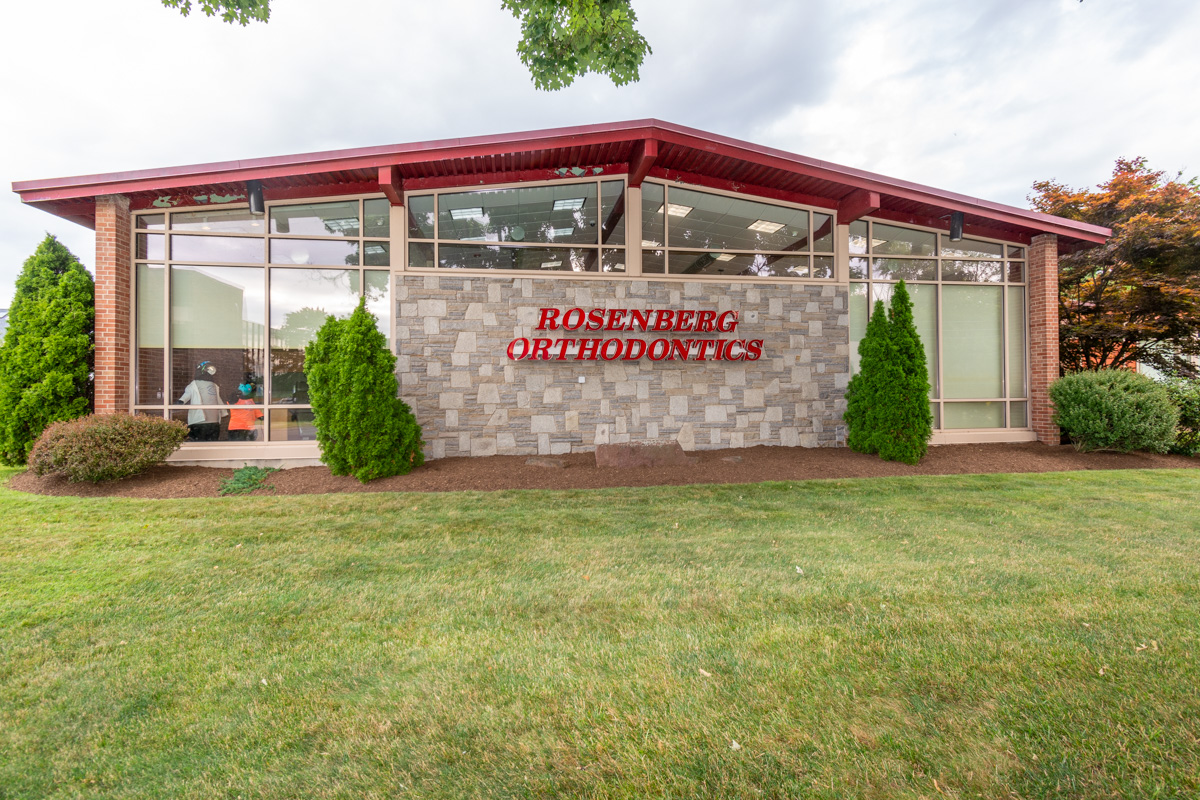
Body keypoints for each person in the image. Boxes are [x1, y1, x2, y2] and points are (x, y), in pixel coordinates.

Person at [177, 361, 227, 441]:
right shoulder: (194, 384)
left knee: (212, 443)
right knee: (199, 443)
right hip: (198, 421)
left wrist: (223, 411)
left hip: (214, 421)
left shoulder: (214, 386)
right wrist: (181, 401)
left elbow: (217, 398)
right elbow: (188, 394)